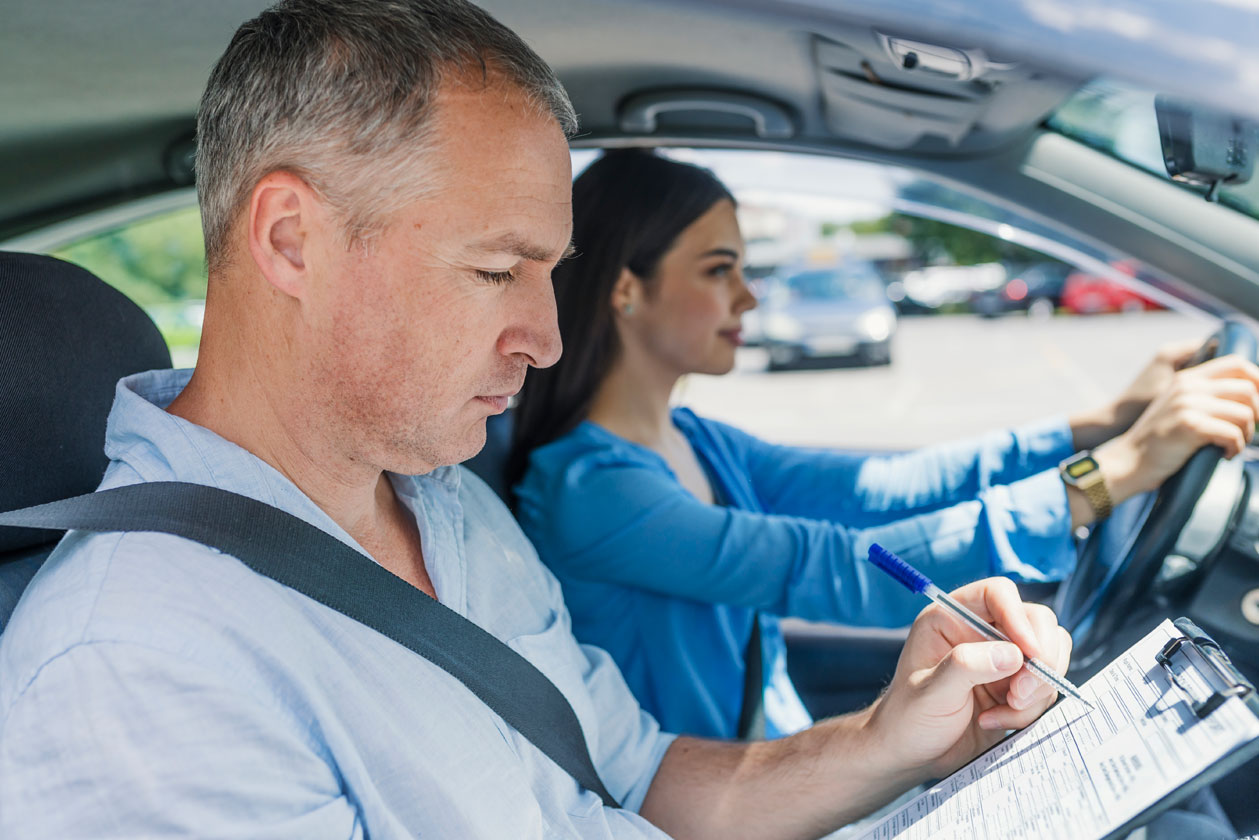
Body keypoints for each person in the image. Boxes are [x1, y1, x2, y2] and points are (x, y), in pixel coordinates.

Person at [0, 2, 1080, 838]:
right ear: (291, 241)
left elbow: (638, 779)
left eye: (547, 273)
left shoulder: (451, 507)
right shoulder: (135, 668)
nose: (546, 337)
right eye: (493, 269)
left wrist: (892, 741)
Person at [509, 149, 1259, 741]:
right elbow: (839, 573)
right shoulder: (591, 488)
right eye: (719, 270)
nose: (749, 296)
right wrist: (1112, 475)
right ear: (624, 288)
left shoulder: (694, 438)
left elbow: (885, 485)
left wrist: (1102, 424)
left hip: (777, 756)